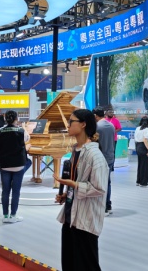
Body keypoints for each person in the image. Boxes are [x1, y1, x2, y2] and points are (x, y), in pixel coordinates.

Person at [54, 109, 109, 271]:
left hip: (85, 220)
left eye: (71, 122)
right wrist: (67, 194)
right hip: (71, 217)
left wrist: (74, 185)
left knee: (86, 265)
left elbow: (99, 188)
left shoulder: (95, 155)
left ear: (83, 124)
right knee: (69, 263)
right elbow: (78, 180)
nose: (68, 125)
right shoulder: (75, 151)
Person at [0, 110, 30, 223]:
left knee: (5, 191)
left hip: (4, 165)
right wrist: (23, 127)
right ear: (16, 119)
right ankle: (13, 215)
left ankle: (5, 216)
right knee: (16, 191)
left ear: (5, 119)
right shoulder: (21, 131)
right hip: (18, 165)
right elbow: (27, 139)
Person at [93, 108, 115, 215]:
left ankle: (103, 207)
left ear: (95, 115)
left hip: (100, 158)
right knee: (108, 182)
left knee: (99, 183)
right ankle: (108, 205)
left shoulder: (96, 127)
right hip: (110, 156)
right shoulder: (111, 125)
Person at [135, 117, 148, 187]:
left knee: (140, 165)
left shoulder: (137, 128)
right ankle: (143, 183)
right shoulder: (146, 129)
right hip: (143, 146)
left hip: (138, 146)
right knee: (144, 166)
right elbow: (145, 140)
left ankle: (138, 181)